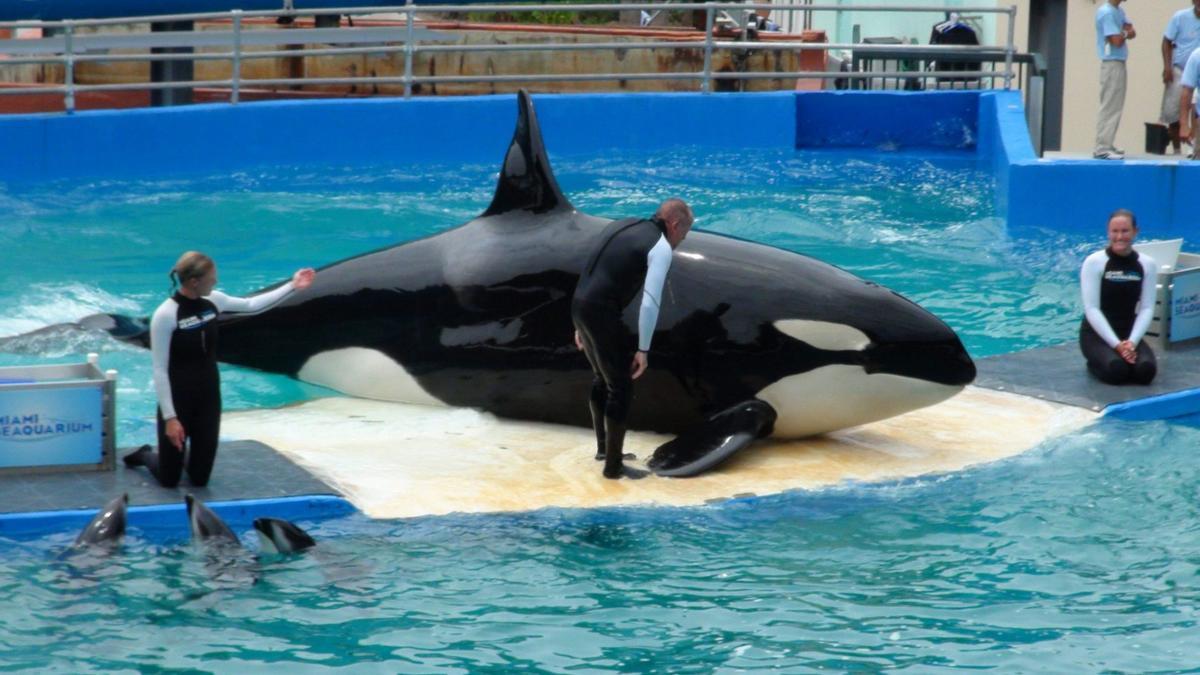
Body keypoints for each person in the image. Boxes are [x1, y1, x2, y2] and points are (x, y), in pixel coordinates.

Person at [123, 252, 315, 487]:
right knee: (169, 479)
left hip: (208, 396)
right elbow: (160, 370)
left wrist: (293, 285)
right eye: (211, 278)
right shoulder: (166, 315)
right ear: (195, 281)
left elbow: (252, 305)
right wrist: (170, 418)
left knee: (200, 478)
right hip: (178, 399)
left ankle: (180, 457)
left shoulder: (214, 300)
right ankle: (145, 454)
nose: (215, 281)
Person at [572, 198, 694, 480]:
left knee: (602, 378)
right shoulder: (660, 247)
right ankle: (613, 467)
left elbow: (591, 268)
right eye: (683, 236)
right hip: (600, 313)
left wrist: (579, 320)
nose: (680, 242)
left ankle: (604, 450)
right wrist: (643, 349)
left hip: (580, 304)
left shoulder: (623, 225)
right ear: (674, 225)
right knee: (621, 387)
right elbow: (650, 302)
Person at [1079, 209, 1158, 385]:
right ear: (1108, 232)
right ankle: (1094, 362)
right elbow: (1092, 309)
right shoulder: (1095, 262)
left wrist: (1131, 342)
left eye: (1125, 231)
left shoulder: (1146, 264)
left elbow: (1146, 308)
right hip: (1096, 335)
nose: (1120, 236)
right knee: (1117, 371)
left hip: (1128, 334)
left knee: (1146, 372)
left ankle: (1123, 354)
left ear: (1135, 231)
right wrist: (1117, 345)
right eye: (1115, 231)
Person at [1094, 0, 1135, 160]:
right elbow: (1116, 40)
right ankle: (1102, 147)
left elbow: (1131, 29)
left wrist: (1125, 32)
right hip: (1111, 62)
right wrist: (1125, 33)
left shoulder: (1119, 11)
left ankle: (1108, 143)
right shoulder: (1107, 12)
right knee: (1109, 105)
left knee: (1116, 104)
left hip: (1119, 61)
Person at [1161, 1, 1200, 154]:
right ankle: (1177, 150)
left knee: (1195, 107)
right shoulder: (1180, 17)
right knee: (1173, 112)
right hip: (1179, 68)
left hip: (1198, 71)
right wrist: (1167, 67)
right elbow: (1166, 41)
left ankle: (1195, 144)